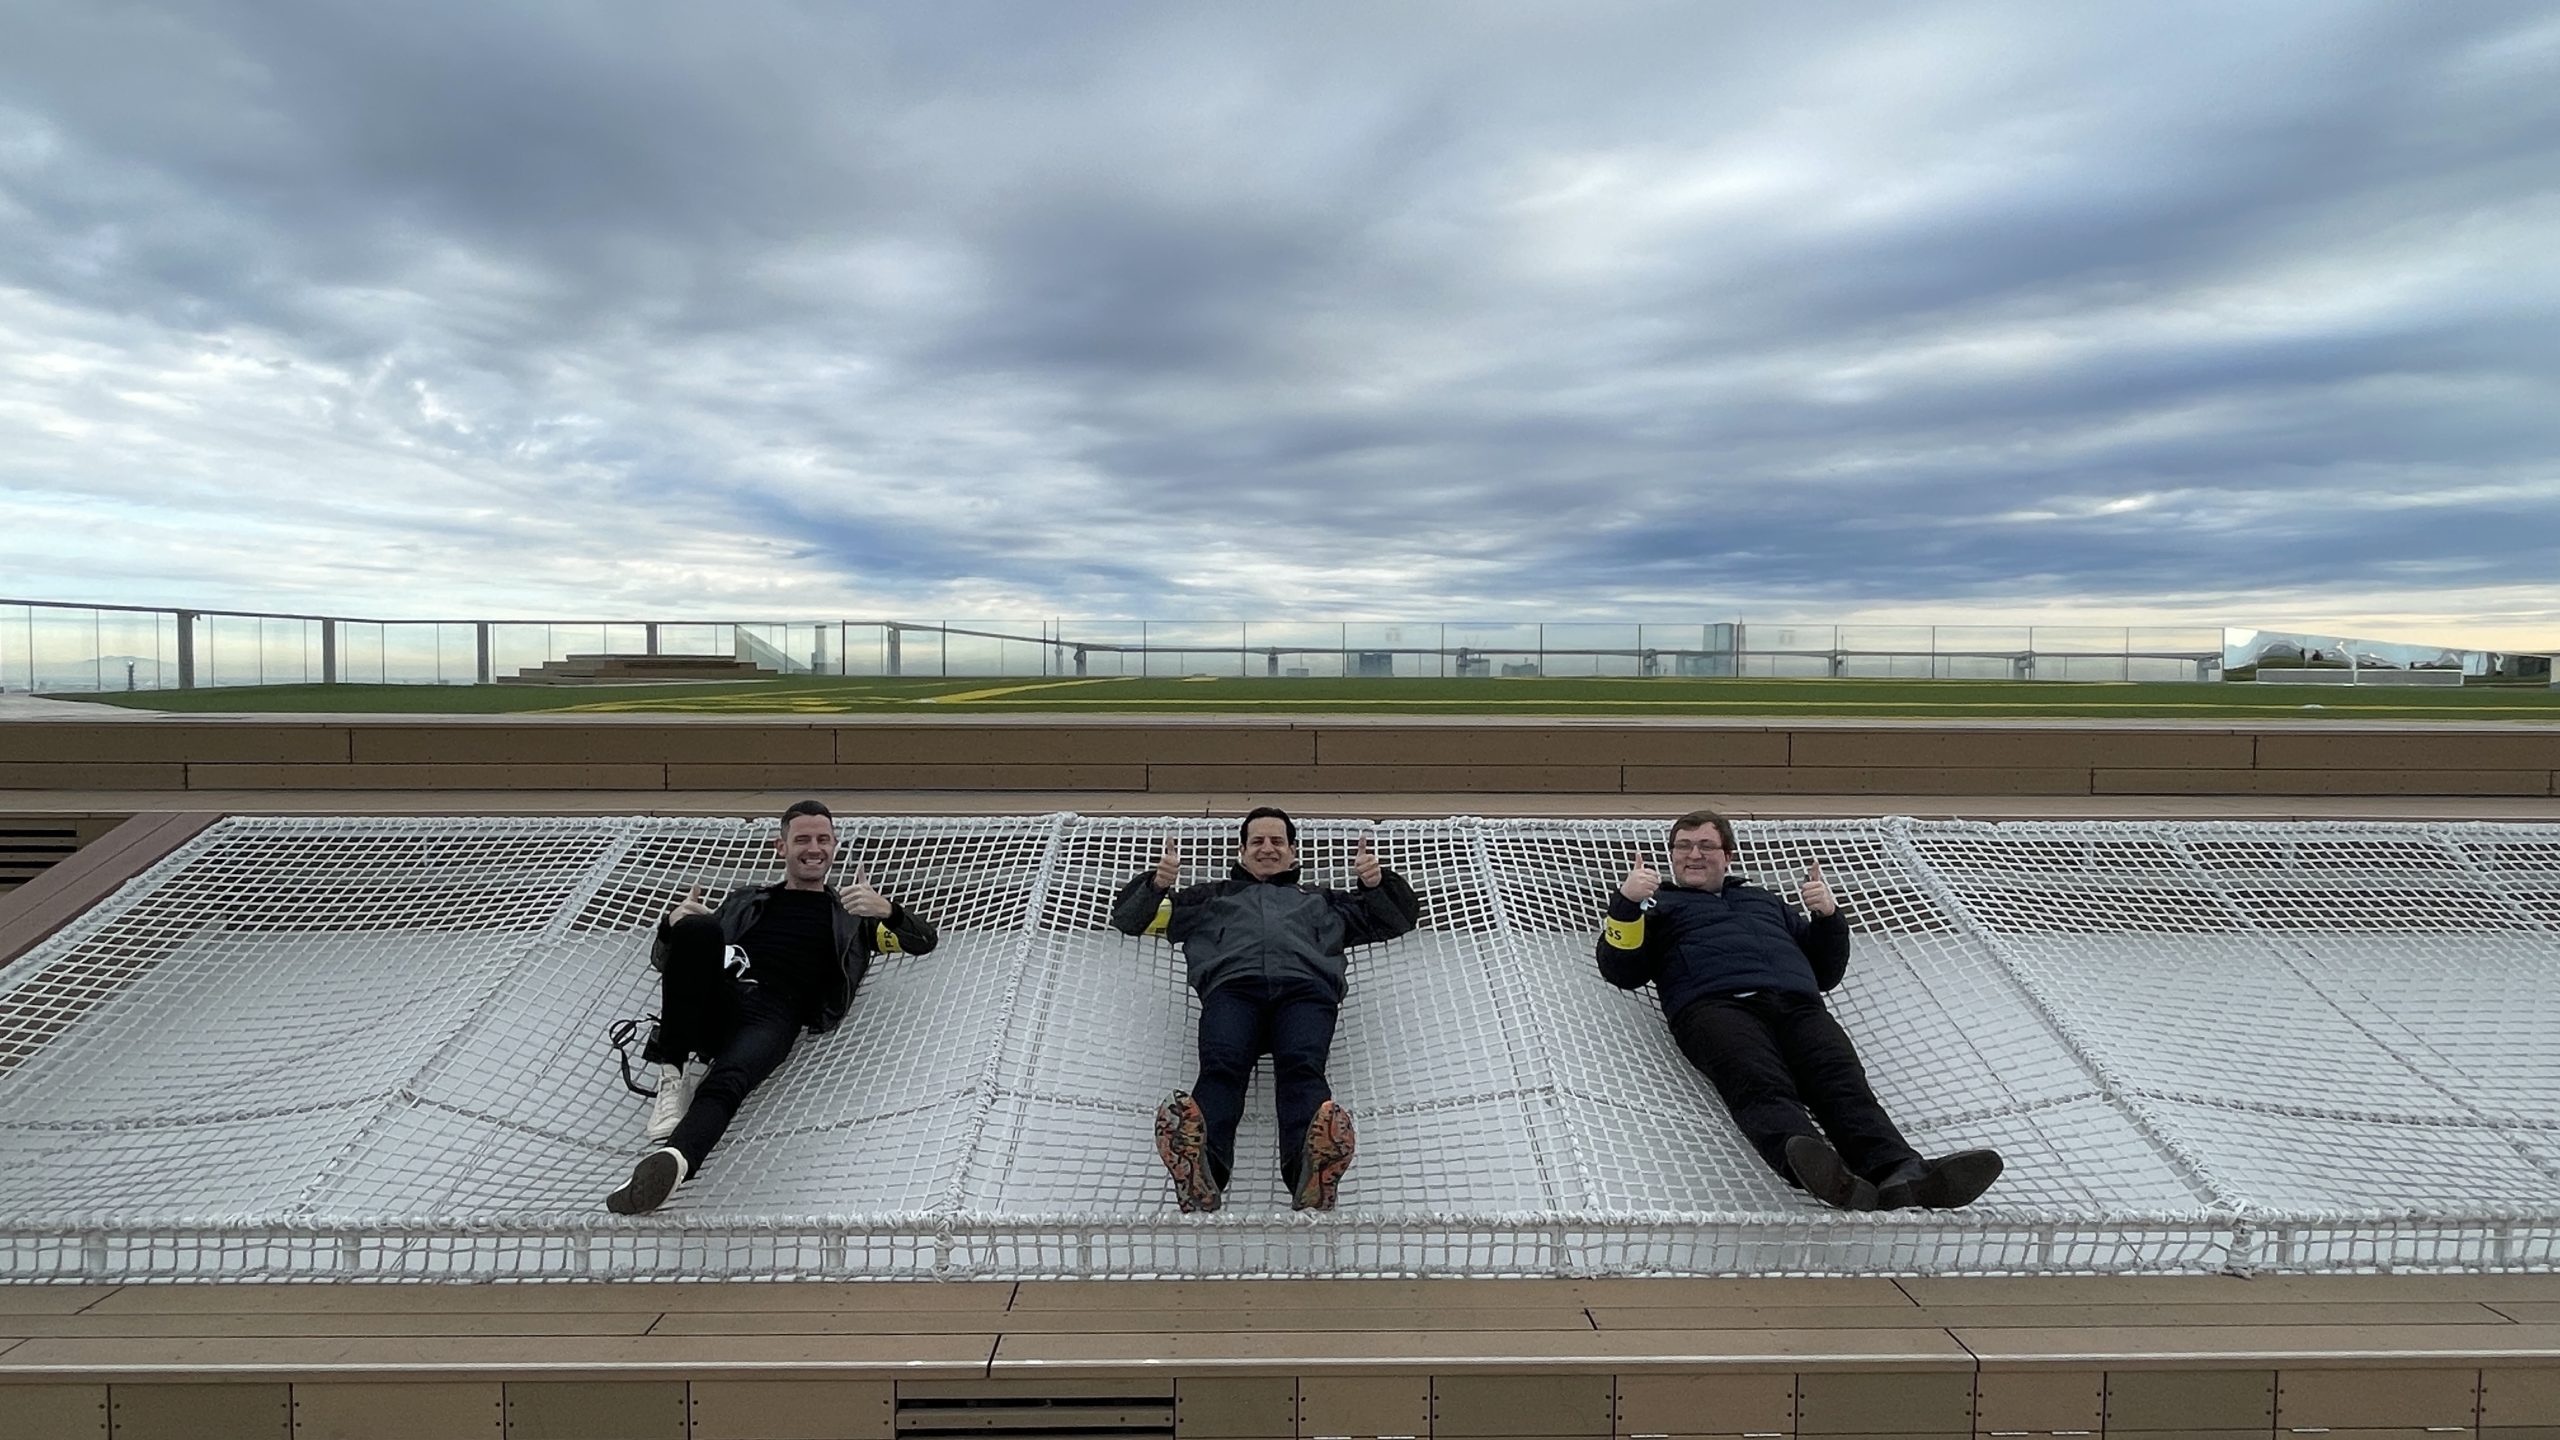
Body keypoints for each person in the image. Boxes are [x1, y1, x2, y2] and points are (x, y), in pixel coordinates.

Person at [1595, 808, 2001, 1211]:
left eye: (1705, 845)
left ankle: (1901, 1173)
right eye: (1683, 846)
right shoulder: (1657, 906)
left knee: (1845, 1086)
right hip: (1716, 1007)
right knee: (1760, 1084)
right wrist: (1627, 903)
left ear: (1728, 855)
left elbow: (1824, 970)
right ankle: (1823, 1173)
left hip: (1799, 1006)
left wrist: (1827, 917)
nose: (1693, 854)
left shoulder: (1763, 900)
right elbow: (1622, 969)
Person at [605, 799, 938, 1215]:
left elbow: (924, 942)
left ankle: (674, 1163)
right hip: (720, 993)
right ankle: (672, 1074)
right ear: (781, 847)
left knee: (729, 1081)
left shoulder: (854, 917)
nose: (813, 848)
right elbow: (668, 962)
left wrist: (889, 910)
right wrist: (671, 926)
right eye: (802, 839)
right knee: (698, 927)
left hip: (778, 1013)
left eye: (823, 840)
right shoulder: (745, 899)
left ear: (835, 846)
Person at [1110, 807, 1420, 1213]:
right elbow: (1130, 919)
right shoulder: (1208, 898)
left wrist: (1377, 883)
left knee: (1302, 1068)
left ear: (1293, 851)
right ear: (1241, 851)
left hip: (1306, 994)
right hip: (1232, 991)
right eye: (1257, 841)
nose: (1267, 848)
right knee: (1221, 1068)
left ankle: (1310, 1174)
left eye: (1277, 841)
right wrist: (1156, 884)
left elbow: (1397, 919)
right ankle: (1203, 1170)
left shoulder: (1322, 900)